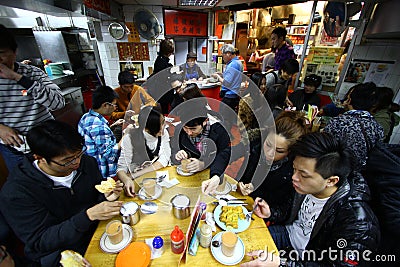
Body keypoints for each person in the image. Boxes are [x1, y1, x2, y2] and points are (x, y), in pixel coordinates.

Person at [242, 132, 380, 267]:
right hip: (288, 236)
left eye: (303, 174)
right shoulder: (306, 186)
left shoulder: (357, 222)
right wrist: (271, 213)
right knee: (239, 243)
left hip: (308, 257)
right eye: (294, 169)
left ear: (331, 181)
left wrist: (283, 263)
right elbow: (289, 209)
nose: (294, 177)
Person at [0, 120, 123, 266]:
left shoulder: (86, 162)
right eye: (68, 161)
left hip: (97, 231)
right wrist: (87, 216)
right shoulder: (17, 193)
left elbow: (96, 195)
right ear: (40, 158)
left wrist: (105, 196)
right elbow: (40, 241)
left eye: (79, 154)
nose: (76, 163)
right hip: (64, 252)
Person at [0, 24, 65, 173]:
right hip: (15, 149)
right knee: (29, 186)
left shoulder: (33, 73)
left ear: (14, 52)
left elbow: (58, 102)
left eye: (1, 53)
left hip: (48, 142)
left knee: (59, 179)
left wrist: (18, 78)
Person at [238, 111, 309, 223]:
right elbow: (243, 176)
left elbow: (284, 210)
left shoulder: (292, 172)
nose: (270, 153)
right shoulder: (256, 148)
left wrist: (269, 211)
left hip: (261, 217)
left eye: (279, 151)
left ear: (290, 152)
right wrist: (242, 185)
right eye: (268, 145)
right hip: (243, 203)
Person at [171, 104, 230, 194]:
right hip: (188, 177)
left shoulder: (219, 131)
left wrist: (204, 164)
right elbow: (173, 151)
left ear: (205, 121)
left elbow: (224, 156)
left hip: (210, 176)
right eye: (185, 128)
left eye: (193, 129)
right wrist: (180, 154)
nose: (189, 133)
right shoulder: (179, 129)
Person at [324, 82, 384, 170]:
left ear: (349, 100)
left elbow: (324, 146)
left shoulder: (339, 122)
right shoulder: (377, 127)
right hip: (361, 173)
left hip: (336, 169)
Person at [117, 107, 171, 197]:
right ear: (146, 128)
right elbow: (121, 169)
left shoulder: (163, 133)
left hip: (156, 177)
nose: (164, 126)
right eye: (160, 124)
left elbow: (163, 160)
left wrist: (133, 175)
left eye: (163, 121)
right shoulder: (130, 138)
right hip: (138, 183)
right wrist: (127, 179)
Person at [78, 86, 120, 178]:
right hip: (102, 171)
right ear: (105, 105)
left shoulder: (86, 117)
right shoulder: (99, 127)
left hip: (89, 166)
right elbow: (110, 154)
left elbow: (94, 137)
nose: (115, 108)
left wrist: (113, 126)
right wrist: (125, 138)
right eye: (114, 105)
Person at [211, 44, 243, 132]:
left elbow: (227, 83)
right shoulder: (238, 62)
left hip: (230, 96)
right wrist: (222, 74)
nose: (222, 57)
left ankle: (225, 137)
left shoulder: (233, 64)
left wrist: (217, 77)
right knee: (228, 118)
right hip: (234, 94)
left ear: (229, 53)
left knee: (224, 119)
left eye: (223, 54)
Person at [152, 39, 175, 114]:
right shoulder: (161, 62)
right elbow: (165, 77)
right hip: (164, 91)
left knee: (166, 108)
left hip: (163, 90)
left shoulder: (160, 60)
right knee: (165, 109)